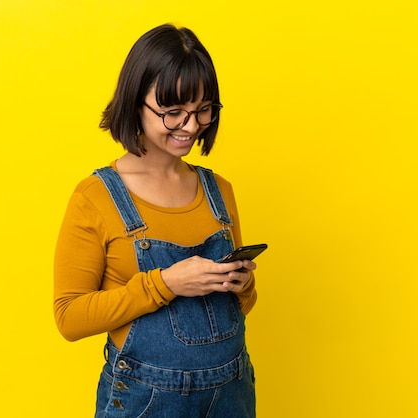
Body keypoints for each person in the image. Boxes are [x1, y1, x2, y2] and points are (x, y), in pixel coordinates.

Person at [54, 24, 258, 417]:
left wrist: (242, 283)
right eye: (173, 113)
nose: (191, 126)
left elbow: (240, 308)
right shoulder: (95, 198)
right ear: (136, 105)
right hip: (145, 400)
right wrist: (164, 284)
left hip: (232, 393)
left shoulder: (219, 191)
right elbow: (69, 318)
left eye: (203, 110)